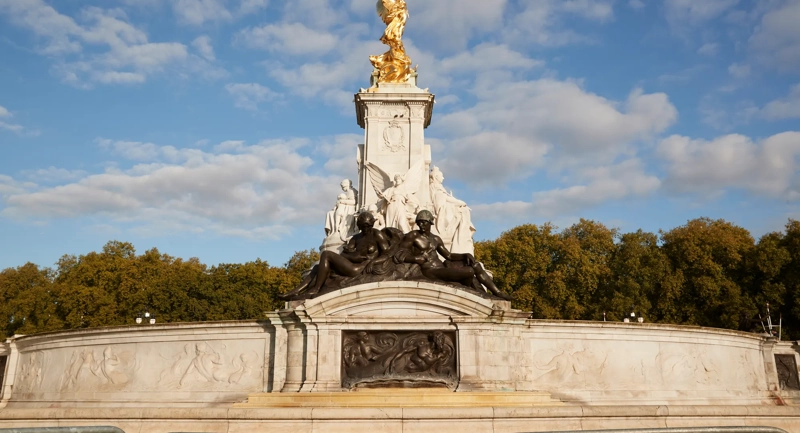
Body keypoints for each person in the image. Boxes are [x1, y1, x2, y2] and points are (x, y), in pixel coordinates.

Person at [394, 210, 511, 300]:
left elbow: (449, 256)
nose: (421, 225)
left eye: (424, 222)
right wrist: (415, 258)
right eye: (419, 222)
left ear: (430, 223)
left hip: (441, 267)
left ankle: (497, 293)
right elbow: (398, 254)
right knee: (469, 271)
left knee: (475, 265)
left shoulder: (435, 239)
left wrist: (465, 255)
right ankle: (477, 293)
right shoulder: (413, 236)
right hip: (430, 270)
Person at [283, 212, 390, 299]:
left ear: (372, 224)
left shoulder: (377, 234)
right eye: (363, 226)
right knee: (317, 267)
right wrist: (353, 257)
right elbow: (344, 254)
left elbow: (387, 254)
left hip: (359, 268)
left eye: (368, 226)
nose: (366, 228)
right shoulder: (356, 238)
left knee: (326, 254)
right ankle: (294, 292)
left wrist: (373, 262)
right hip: (352, 264)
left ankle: (316, 288)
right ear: (359, 226)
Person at [429, 166, 475, 254]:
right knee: (463, 212)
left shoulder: (437, 187)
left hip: (444, 207)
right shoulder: (435, 187)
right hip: (442, 209)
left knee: (464, 211)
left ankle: (462, 241)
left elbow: (446, 198)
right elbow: (444, 199)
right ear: (436, 177)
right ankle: (460, 242)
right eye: (441, 176)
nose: (443, 178)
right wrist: (460, 202)